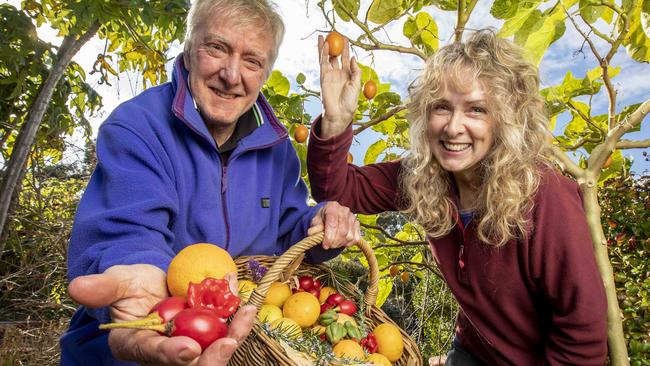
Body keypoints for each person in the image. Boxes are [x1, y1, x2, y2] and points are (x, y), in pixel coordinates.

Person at [60, 1, 360, 365]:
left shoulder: (278, 149)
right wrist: (142, 278)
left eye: (252, 61)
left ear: (265, 73)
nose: (232, 75)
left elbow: (288, 233)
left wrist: (318, 223)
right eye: (217, 48)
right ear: (187, 53)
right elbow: (125, 231)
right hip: (130, 348)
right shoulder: (138, 127)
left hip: (234, 348)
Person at [308, 30, 608, 365]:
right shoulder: (424, 177)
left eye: (476, 109)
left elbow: (582, 340)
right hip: (470, 353)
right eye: (442, 108)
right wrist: (336, 120)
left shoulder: (546, 197)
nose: (453, 127)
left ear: (506, 120)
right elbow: (337, 191)